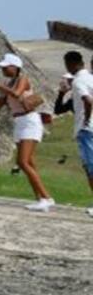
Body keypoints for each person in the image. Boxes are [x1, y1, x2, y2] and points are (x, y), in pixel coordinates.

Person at [0, 53, 53, 211]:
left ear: (15, 68)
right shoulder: (8, 83)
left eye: (5, 67)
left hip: (29, 121)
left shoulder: (23, 79)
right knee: (29, 162)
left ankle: (47, 197)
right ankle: (40, 198)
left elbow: (16, 94)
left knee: (22, 162)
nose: (3, 70)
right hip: (19, 122)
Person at [54, 51, 93, 218]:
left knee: (90, 168)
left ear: (70, 64)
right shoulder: (90, 78)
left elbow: (89, 101)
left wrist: (86, 119)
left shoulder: (79, 82)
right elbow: (59, 109)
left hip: (87, 130)